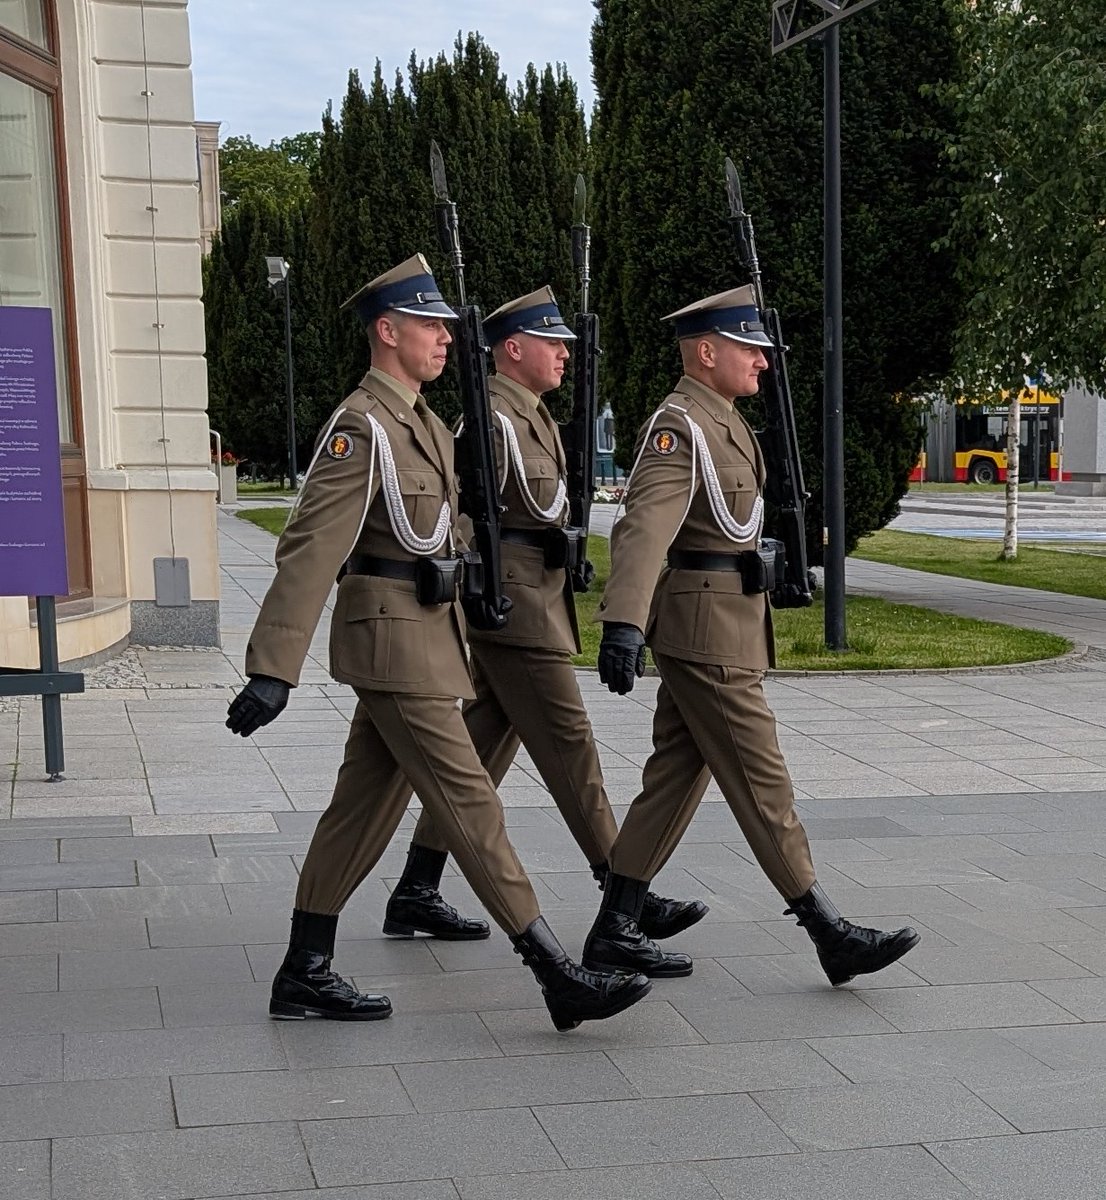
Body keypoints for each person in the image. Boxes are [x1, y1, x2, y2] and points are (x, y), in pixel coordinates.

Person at [225, 254, 651, 1031]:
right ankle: (556, 972)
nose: (447, 340)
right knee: (470, 801)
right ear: (387, 332)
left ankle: (304, 969)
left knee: (359, 809)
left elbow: (449, 532)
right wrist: (272, 668)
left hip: (428, 636)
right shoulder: (363, 426)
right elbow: (310, 547)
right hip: (392, 644)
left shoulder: (418, 421)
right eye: (430, 327)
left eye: (447, 328)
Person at [580, 284, 921, 988]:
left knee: (675, 775)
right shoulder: (681, 424)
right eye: (750, 349)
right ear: (707, 352)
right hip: (704, 631)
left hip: (726, 620)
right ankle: (827, 929)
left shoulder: (723, 418)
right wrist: (621, 622)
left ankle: (616, 925)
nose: (764, 363)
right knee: (762, 779)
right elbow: (645, 527)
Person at [381, 286, 705, 976]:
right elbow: (456, 519)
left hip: (537, 598)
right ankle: (624, 896)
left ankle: (416, 887)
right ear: (512, 349)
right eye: (551, 342)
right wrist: (476, 584)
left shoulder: (535, 420)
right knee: (571, 748)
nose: (565, 354)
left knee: (480, 752)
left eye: (566, 343)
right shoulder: (490, 421)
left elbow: (537, 513)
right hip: (513, 612)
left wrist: (564, 551)